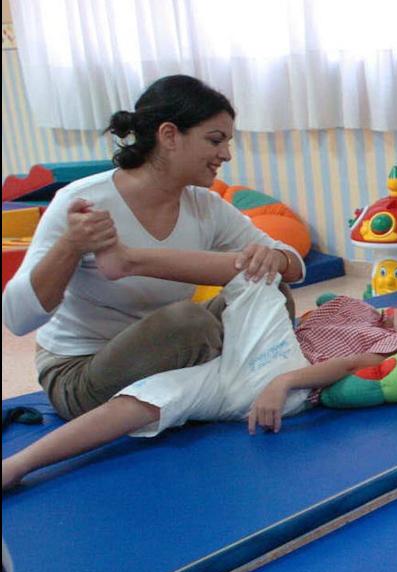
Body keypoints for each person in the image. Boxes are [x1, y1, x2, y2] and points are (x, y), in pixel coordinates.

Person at [1, 243, 397, 491]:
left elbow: (355, 363)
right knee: (144, 398)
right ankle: (19, 466)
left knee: (259, 275)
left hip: (285, 377)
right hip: (244, 369)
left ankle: (130, 260)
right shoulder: (352, 306)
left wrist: (284, 380)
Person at [1, 74, 303, 422]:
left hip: (166, 354)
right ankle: (218, 382)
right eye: (215, 140)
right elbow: (17, 319)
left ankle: (209, 382)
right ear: (169, 135)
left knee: (271, 288)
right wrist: (71, 245)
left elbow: (293, 266)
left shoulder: (205, 205)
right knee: (187, 324)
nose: (226, 154)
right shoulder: (82, 202)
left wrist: (275, 257)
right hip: (81, 374)